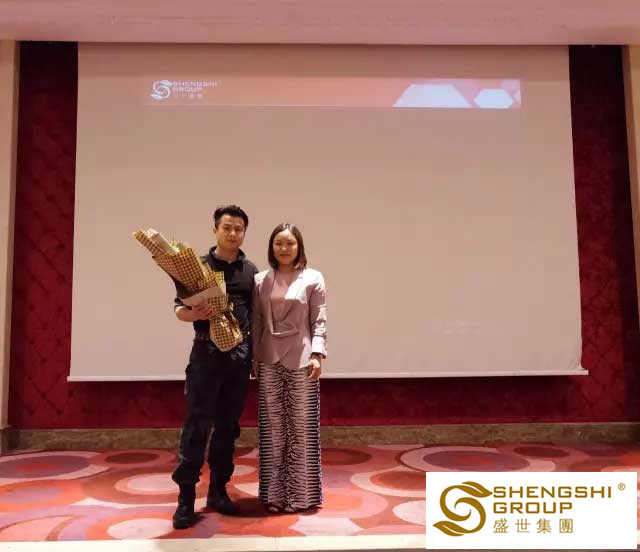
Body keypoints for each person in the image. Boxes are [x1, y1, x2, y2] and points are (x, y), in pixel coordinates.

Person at [171, 205, 258, 529]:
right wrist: (192, 314)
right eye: (227, 227)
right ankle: (185, 499)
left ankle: (218, 491)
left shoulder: (251, 271)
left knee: (227, 428)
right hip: (205, 356)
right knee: (196, 426)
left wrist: (253, 356)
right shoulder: (197, 267)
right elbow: (178, 308)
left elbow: (255, 316)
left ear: (244, 233)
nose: (232, 233)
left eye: (238, 229)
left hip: (238, 359)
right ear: (215, 230)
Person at [251, 223, 327, 513]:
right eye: (279, 243)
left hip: (302, 358)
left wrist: (318, 354)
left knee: (302, 427)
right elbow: (258, 321)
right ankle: (274, 495)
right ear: (272, 247)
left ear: (299, 246)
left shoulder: (313, 278)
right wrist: (254, 358)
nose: (284, 248)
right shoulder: (260, 280)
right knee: (272, 427)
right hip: (269, 358)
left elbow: (319, 319)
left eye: (290, 243)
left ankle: (301, 496)